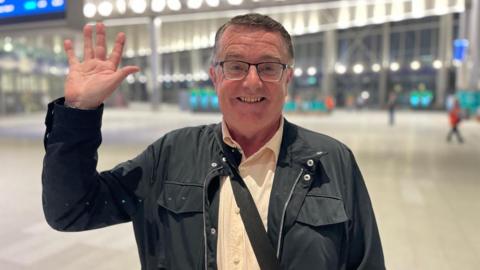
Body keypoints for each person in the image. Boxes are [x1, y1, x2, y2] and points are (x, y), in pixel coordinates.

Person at [42, 14, 385, 270]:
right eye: (235, 66)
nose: (252, 82)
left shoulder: (332, 160)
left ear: (287, 78)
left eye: (268, 67)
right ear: (215, 76)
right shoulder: (171, 154)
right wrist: (80, 112)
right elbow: (71, 211)